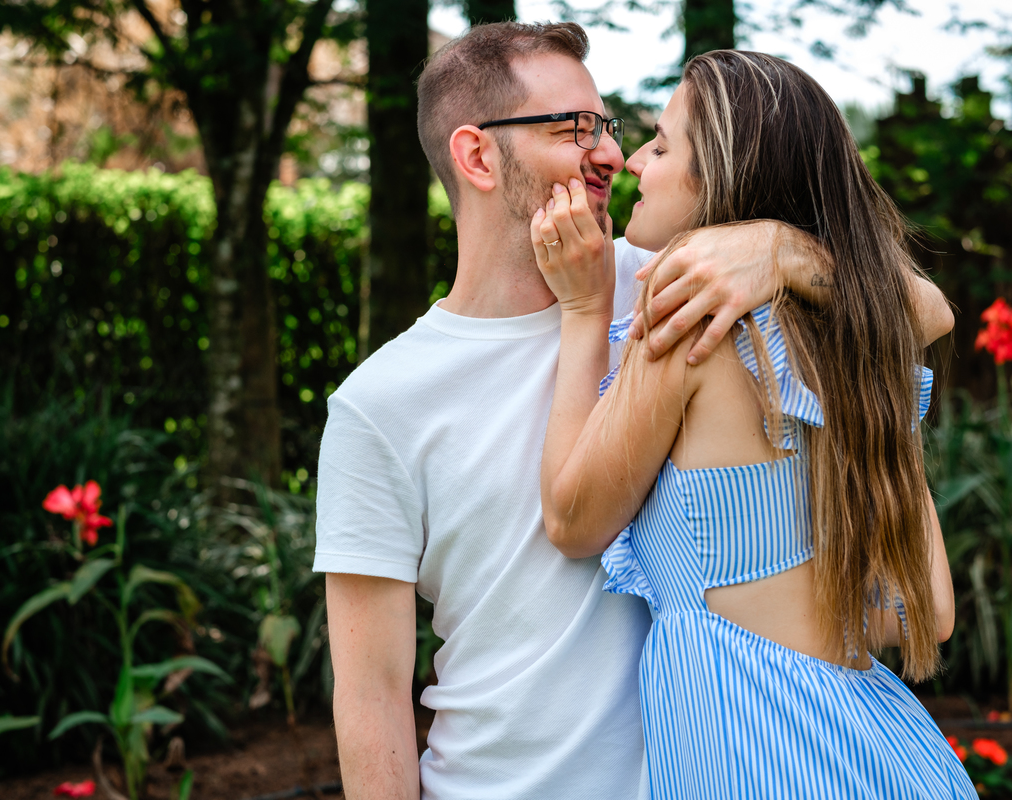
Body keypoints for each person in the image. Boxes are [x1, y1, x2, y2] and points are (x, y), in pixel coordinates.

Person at [316, 23, 954, 800]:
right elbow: (371, 695)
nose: (614, 155)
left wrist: (781, 249)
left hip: (734, 769)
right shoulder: (379, 404)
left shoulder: (686, 283)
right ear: (477, 156)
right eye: (572, 130)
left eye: (610, 127)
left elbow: (926, 311)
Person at [532, 50, 974, 798]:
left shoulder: (694, 324)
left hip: (756, 753)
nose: (634, 160)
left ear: (721, 179)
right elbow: (925, 611)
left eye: (662, 146)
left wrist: (582, 310)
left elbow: (574, 521)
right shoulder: (867, 358)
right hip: (884, 749)